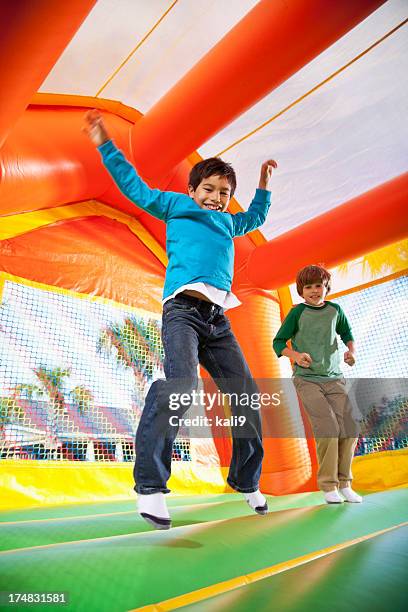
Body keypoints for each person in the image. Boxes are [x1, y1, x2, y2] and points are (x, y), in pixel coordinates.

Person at [84, 110, 277, 528]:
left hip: (218, 321)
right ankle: (151, 487)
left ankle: (248, 480)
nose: (216, 197)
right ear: (192, 189)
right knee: (182, 387)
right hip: (183, 314)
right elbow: (134, 188)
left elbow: (256, 219)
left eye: (224, 192)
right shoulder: (175, 206)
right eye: (208, 188)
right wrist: (105, 144)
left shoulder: (229, 222)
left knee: (245, 394)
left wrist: (262, 186)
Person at [273, 264, 362, 504]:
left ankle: (345, 484)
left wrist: (351, 352)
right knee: (328, 428)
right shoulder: (297, 312)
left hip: (334, 378)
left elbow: (347, 334)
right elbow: (279, 342)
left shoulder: (335, 310)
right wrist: (296, 356)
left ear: (326, 288)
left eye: (318, 286)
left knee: (350, 428)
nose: (314, 291)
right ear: (301, 290)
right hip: (307, 379)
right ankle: (329, 486)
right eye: (308, 286)